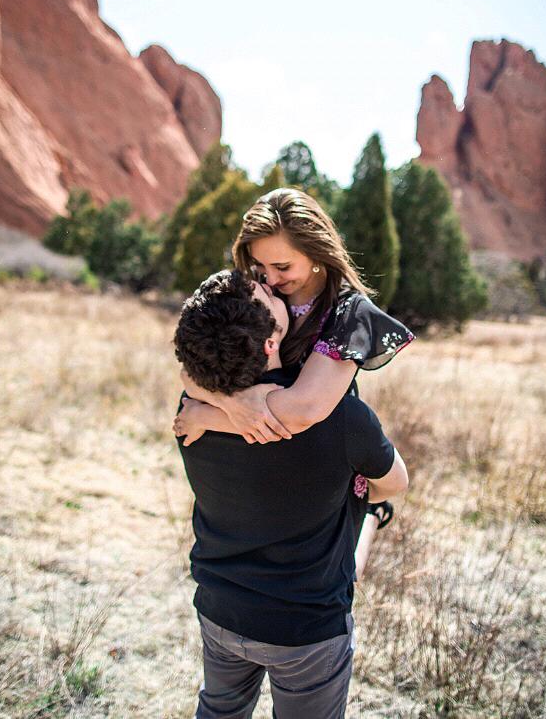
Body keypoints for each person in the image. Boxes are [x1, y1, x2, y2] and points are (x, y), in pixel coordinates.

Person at [173, 269, 408, 718]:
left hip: (220, 609)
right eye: (264, 291)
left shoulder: (193, 411)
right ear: (269, 342)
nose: (270, 282)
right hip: (305, 631)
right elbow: (396, 481)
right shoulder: (341, 418)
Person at [175, 187, 414, 552]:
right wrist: (233, 403)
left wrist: (211, 415)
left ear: (317, 253)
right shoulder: (259, 295)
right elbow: (191, 367)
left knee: (331, 568)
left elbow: (304, 410)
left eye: (282, 267)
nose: (269, 279)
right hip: (263, 461)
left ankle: (369, 514)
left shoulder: (348, 314)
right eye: (259, 267)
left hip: (320, 455)